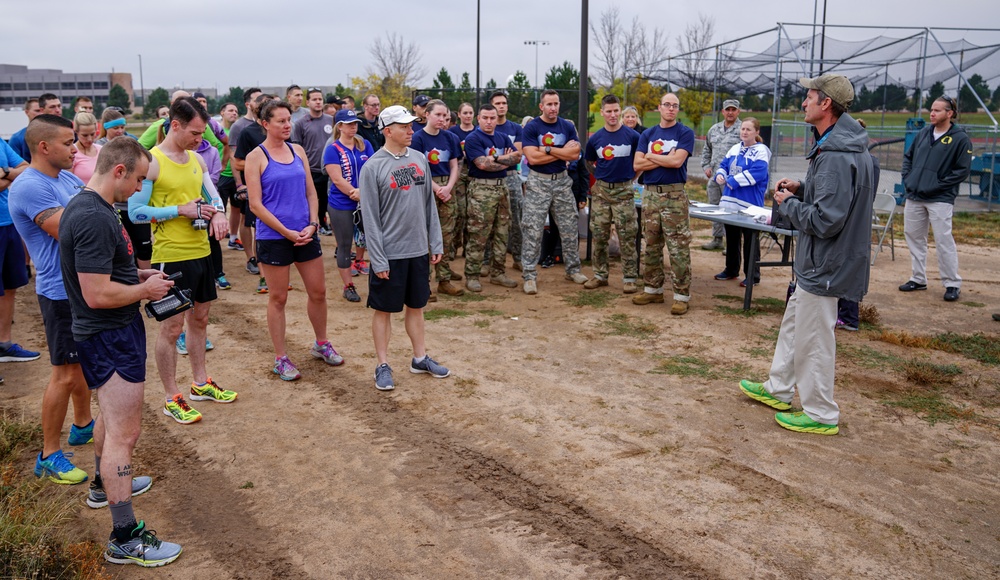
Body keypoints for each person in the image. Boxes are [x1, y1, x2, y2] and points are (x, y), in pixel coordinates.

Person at [60, 137, 181, 566]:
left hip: (108, 334)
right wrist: (143, 290)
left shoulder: (91, 206)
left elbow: (104, 273)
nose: (138, 190)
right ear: (118, 171)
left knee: (111, 423)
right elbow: (95, 293)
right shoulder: (94, 216)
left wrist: (140, 273)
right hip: (109, 336)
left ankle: (100, 484)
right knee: (124, 435)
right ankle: (125, 536)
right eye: (138, 180)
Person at [739, 74, 874, 436]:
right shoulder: (843, 146)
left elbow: (827, 220)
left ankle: (820, 413)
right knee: (795, 325)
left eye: (809, 96)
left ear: (826, 103)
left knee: (814, 340)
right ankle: (778, 388)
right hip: (821, 261)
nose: (804, 103)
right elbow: (837, 199)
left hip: (826, 261)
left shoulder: (835, 154)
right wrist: (805, 187)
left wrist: (791, 203)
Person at [128, 97, 237, 425]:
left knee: (200, 321)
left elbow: (213, 195)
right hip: (170, 257)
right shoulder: (153, 162)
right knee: (171, 327)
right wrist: (179, 210)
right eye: (194, 132)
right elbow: (135, 212)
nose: (200, 139)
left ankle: (200, 383)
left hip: (201, 253)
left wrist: (217, 212)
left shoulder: (196, 159)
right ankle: (171, 396)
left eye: (203, 132)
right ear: (174, 125)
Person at [8, 114, 95, 485]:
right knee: (64, 372)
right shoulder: (29, 186)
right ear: (43, 147)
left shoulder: (68, 178)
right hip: (59, 292)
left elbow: (99, 212)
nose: (74, 148)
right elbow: (71, 231)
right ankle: (48, 454)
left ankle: (81, 425)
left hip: (80, 287)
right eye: (67, 142)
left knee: (83, 365)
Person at [246, 100, 344, 380]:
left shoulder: (297, 150)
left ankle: (321, 343)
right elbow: (256, 205)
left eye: (289, 119)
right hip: (274, 237)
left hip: (306, 233)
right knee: (278, 298)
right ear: (266, 124)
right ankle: (281, 358)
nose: (288, 125)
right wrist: (286, 232)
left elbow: (311, 193)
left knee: (319, 292)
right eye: (281, 121)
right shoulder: (257, 156)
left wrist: (313, 223)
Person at [359, 105, 449, 391]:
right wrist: (378, 258)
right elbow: (370, 218)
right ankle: (382, 364)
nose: (411, 131)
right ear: (388, 131)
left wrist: (435, 241)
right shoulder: (373, 166)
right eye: (404, 126)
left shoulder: (420, 159)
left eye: (412, 126)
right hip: (390, 254)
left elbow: (428, 206)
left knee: (417, 307)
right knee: (383, 309)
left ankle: (419, 358)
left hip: (418, 251)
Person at [899, 95, 972, 302]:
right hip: (915, 195)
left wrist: (936, 185)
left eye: (937, 110)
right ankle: (918, 278)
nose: (932, 113)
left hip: (940, 198)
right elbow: (908, 157)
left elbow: (961, 170)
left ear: (950, 113)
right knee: (914, 237)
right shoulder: (924, 133)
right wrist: (908, 180)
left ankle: (951, 283)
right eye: (931, 109)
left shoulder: (960, 138)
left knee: (943, 240)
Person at [520, 89, 589, 294]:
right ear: (541, 106)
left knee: (569, 226)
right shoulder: (532, 127)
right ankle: (529, 275)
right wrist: (562, 153)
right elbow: (532, 158)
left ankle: (573, 269)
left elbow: (575, 153)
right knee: (532, 228)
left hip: (561, 183)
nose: (553, 108)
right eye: (549, 104)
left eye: (556, 104)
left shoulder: (567, 126)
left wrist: (547, 149)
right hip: (538, 183)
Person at [632, 93, 695, 315]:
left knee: (678, 248)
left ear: (678, 109)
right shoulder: (648, 134)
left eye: (675, 106)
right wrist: (662, 157)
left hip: (674, 197)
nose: (670, 109)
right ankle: (653, 289)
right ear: (659, 107)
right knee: (651, 244)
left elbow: (677, 161)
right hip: (649, 196)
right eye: (667, 105)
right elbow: (636, 164)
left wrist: (650, 157)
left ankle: (681, 296)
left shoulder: (685, 133)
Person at [584, 94, 641, 294]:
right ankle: (600, 275)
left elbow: (639, 161)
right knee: (599, 234)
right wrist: (600, 177)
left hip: (624, 191)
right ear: (602, 113)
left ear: (620, 111)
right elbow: (589, 162)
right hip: (601, 192)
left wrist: (632, 178)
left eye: (616, 111)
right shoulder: (596, 138)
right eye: (609, 111)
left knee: (627, 235)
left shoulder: (633, 137)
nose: (613, 115)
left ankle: (630, 278)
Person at [462, 104, 522, 292]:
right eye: (485, 118)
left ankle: (498, 273)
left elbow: (518, 157)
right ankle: (472, 275)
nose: (489, 121)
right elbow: (482, 165)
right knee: (479, 234)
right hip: (481, 190)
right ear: (478, 118)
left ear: (497, 119)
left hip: (501, 188)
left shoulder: (502, 137)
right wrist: (503, 159)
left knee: (502, 232)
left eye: (492, 118)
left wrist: (493, 160)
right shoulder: (473, 139)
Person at [411, 100, 464, 297]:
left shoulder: (450, 137)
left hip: (447, 190)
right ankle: (423, 283)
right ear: (427, 115)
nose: (442, 119)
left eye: (445, 116)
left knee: (446, 237)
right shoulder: (417, 139)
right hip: (425, 188)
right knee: (424, 237)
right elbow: (416, 169)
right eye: (438, 115)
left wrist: (448, 187)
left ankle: (444, 279)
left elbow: (454, 166)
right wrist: (436, 188)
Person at [712, 117, 771, 288]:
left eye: (748, 129)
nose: (744, 132)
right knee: (732, 237)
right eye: (743, 129)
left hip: (750, 205)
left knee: (750, 240)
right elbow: (723, 164)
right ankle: (731, 269)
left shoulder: (761, 150)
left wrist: (732, 180)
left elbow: (758, 173)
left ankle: (753, 275)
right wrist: (720, 175)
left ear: (756, 132)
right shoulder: (734, 148)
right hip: (730, 202)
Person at [324, 109, 374, 302]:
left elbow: (372, 169)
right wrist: (356, 192)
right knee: (345, 245)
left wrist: (364, 193)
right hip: (341, 203)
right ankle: (348, 286)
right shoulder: (332, 148)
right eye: (349, 123)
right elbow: (336, 179)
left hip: (365, 200)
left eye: (355, 123)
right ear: (340, 126)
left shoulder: (364, 144)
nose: (354, 127)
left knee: (368, 240)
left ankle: (373, 277)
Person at [234, 93, 277, 292]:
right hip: (257, 189)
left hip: (279, 190)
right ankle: (262, 275)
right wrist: (261, 165)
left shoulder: (283, 132)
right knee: (258, 229)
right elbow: (237, 161)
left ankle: (276, 271)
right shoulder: (247, 132)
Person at [0, 134, 36, 363]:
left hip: (7, 223)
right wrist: (10, 174)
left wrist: (3, 173)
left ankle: (4, 344)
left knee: (11, 286)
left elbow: (26, 167)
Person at [489, 91, 526, 270]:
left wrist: (496, 158)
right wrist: (504, 157)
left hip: (512, 178)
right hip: (490, 178)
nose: (501, 106)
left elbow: (517, 155)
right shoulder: (486, 128)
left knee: (516, 220)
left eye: (504, 103)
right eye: (497, 103)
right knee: (490, 220)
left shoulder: (516, 128)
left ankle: (518, 258)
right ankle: (487, 261)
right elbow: (482, 157)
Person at [226, 87, 262, 269]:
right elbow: (234, 158)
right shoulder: (240, 126)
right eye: (258, 99)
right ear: (249, 104)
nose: (263, 102)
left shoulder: (267, 125)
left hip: (266, 185)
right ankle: (251, 258)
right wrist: (240, 184)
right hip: (247, 183)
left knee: (260, 223)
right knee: (246, 220)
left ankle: (262, 256)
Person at [291, 88, 334, 236]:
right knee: (310, 199)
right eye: (314, 99)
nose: (318, 102)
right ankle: (312, 223)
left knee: (326, 199)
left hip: (328, 170)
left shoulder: (330, 120)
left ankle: (324, 223)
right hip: (309, 170)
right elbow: (296, 148)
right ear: (308, 102)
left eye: (320, 99)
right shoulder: (301, 123)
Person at [701, 99, 742, 250]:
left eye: (733, 109)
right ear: (723, 112)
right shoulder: (714, 129)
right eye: (727, 109)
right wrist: (706, 166)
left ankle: (732, 244)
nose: (730, 112)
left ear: (738, 111)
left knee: (731, 210)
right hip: (714, 178)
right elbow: (707, 149)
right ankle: (717, 239)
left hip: (732, 179)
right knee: (715, 208)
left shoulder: (742, 130)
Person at [447, 102, 476, 261]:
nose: (468, 116)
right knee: (458, 211)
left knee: (471, 212)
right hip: (458, 171)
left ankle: (468, 247)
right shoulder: (453, 132)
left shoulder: (477, 131)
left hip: (473, 172)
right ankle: (452, 247)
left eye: (470, 113)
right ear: (458, 115)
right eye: (465, 113)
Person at [71, 112, 102, 183]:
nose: (89, 139)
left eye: (92, 134)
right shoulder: (71, 153)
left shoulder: (101, 150)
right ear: (76, 132)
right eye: (85, 135)